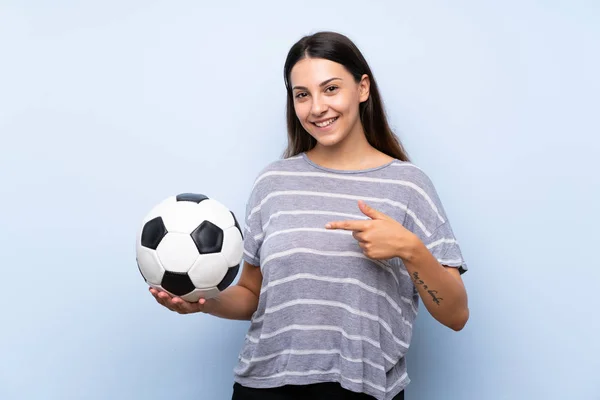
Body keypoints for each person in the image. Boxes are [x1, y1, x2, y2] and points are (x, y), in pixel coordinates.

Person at [149, 31, 469, 400]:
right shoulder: (274, 182)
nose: (317, 107)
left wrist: (410, 249)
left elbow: (456, 316)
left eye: (330, 88)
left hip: (363, 391)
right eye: (302, 95)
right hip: (264, 387)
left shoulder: (409, 186)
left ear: (362, 87)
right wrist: (201, 301)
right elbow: (254, 293)